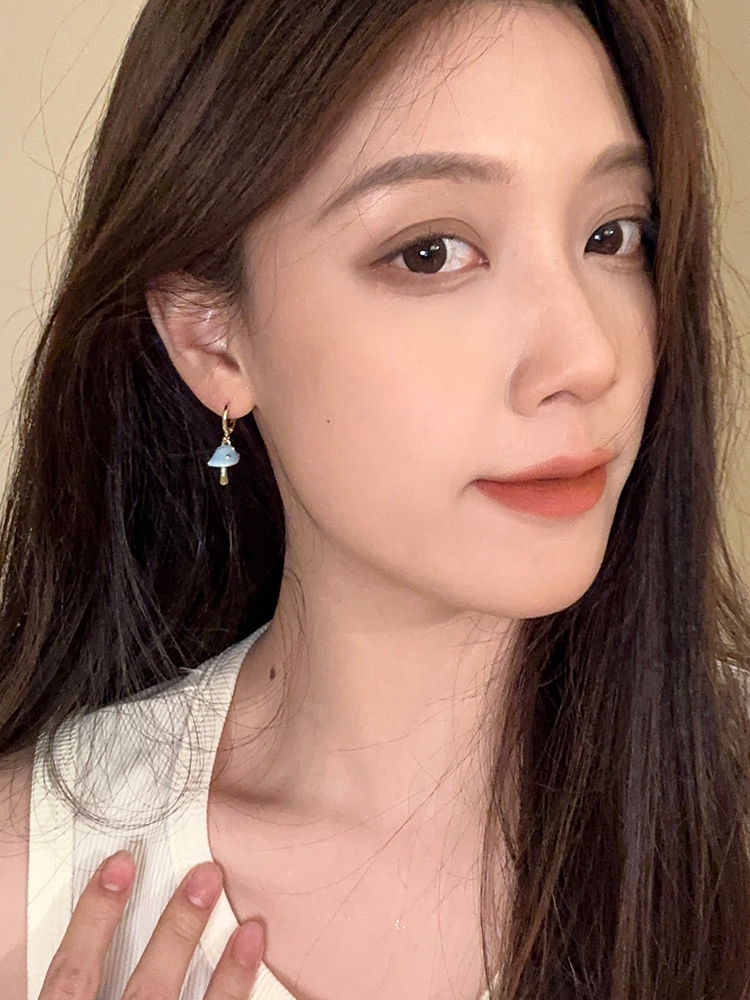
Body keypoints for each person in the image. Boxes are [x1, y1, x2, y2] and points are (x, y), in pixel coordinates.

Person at [2, 0, 750, 997]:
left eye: (613, 234)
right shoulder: (36, 884)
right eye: (431, 252)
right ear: (211, 340)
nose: (585, 358)